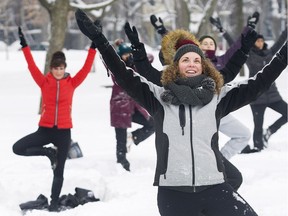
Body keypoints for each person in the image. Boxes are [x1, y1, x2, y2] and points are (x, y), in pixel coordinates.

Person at [75, 9, 287, 215]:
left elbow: (261, 81)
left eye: (197, 60)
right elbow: (123, 75)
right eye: (186, 60)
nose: (192, 64)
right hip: (174, 194)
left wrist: (284, 55)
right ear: (176, 66)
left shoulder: (218, 98)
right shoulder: (158, 98)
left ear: (204, 67)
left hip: (214, 186)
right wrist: (101, 42)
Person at [12, 27, 96, 212]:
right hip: (45, 130)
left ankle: (54, 203)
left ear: (65, 68)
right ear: (51, 68)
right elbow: (31, 65)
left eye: (61, 68)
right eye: (55, 68)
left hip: (64, 132)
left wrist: (93, 46)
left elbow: (86, 67)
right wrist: (24, 45)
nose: (58, 71)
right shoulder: (44, 82)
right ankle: (48, 153)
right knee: (17, 148)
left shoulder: (72, 83)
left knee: (59, 171)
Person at [151, 15, 252, 160]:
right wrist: (162, 31)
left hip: (216, 106)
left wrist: (246, 31)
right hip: (193, 111)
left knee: (243, 134)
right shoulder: (191, 61)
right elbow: (176, 45)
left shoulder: (221, 61)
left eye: (211, 43)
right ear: (197, 45)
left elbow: (236, 50)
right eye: (205, 43)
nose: (208, 45)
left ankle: (219, 161)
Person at [215, 17, 288, 152]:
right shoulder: (250, 55)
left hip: (273, 95)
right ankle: (258, 148)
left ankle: (270, 131)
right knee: (258, 126)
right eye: (257, 40)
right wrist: (222, 31)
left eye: (261, 40)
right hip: (257, 97)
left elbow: (281, 41)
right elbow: (234, 44)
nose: (259, 43)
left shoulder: (270, 53)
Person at [108, 43, 155, 171]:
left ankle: (134, 137)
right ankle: (121, 162)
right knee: (121, 141)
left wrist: (136, 55)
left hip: (135, 106)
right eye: (125, 54)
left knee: (154, 124)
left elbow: (150, 58)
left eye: (129, 54)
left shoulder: (136, 66)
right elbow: (106, 58)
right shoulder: (115, 67)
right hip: (120, 106)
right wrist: (112, 48)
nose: (127, 57)